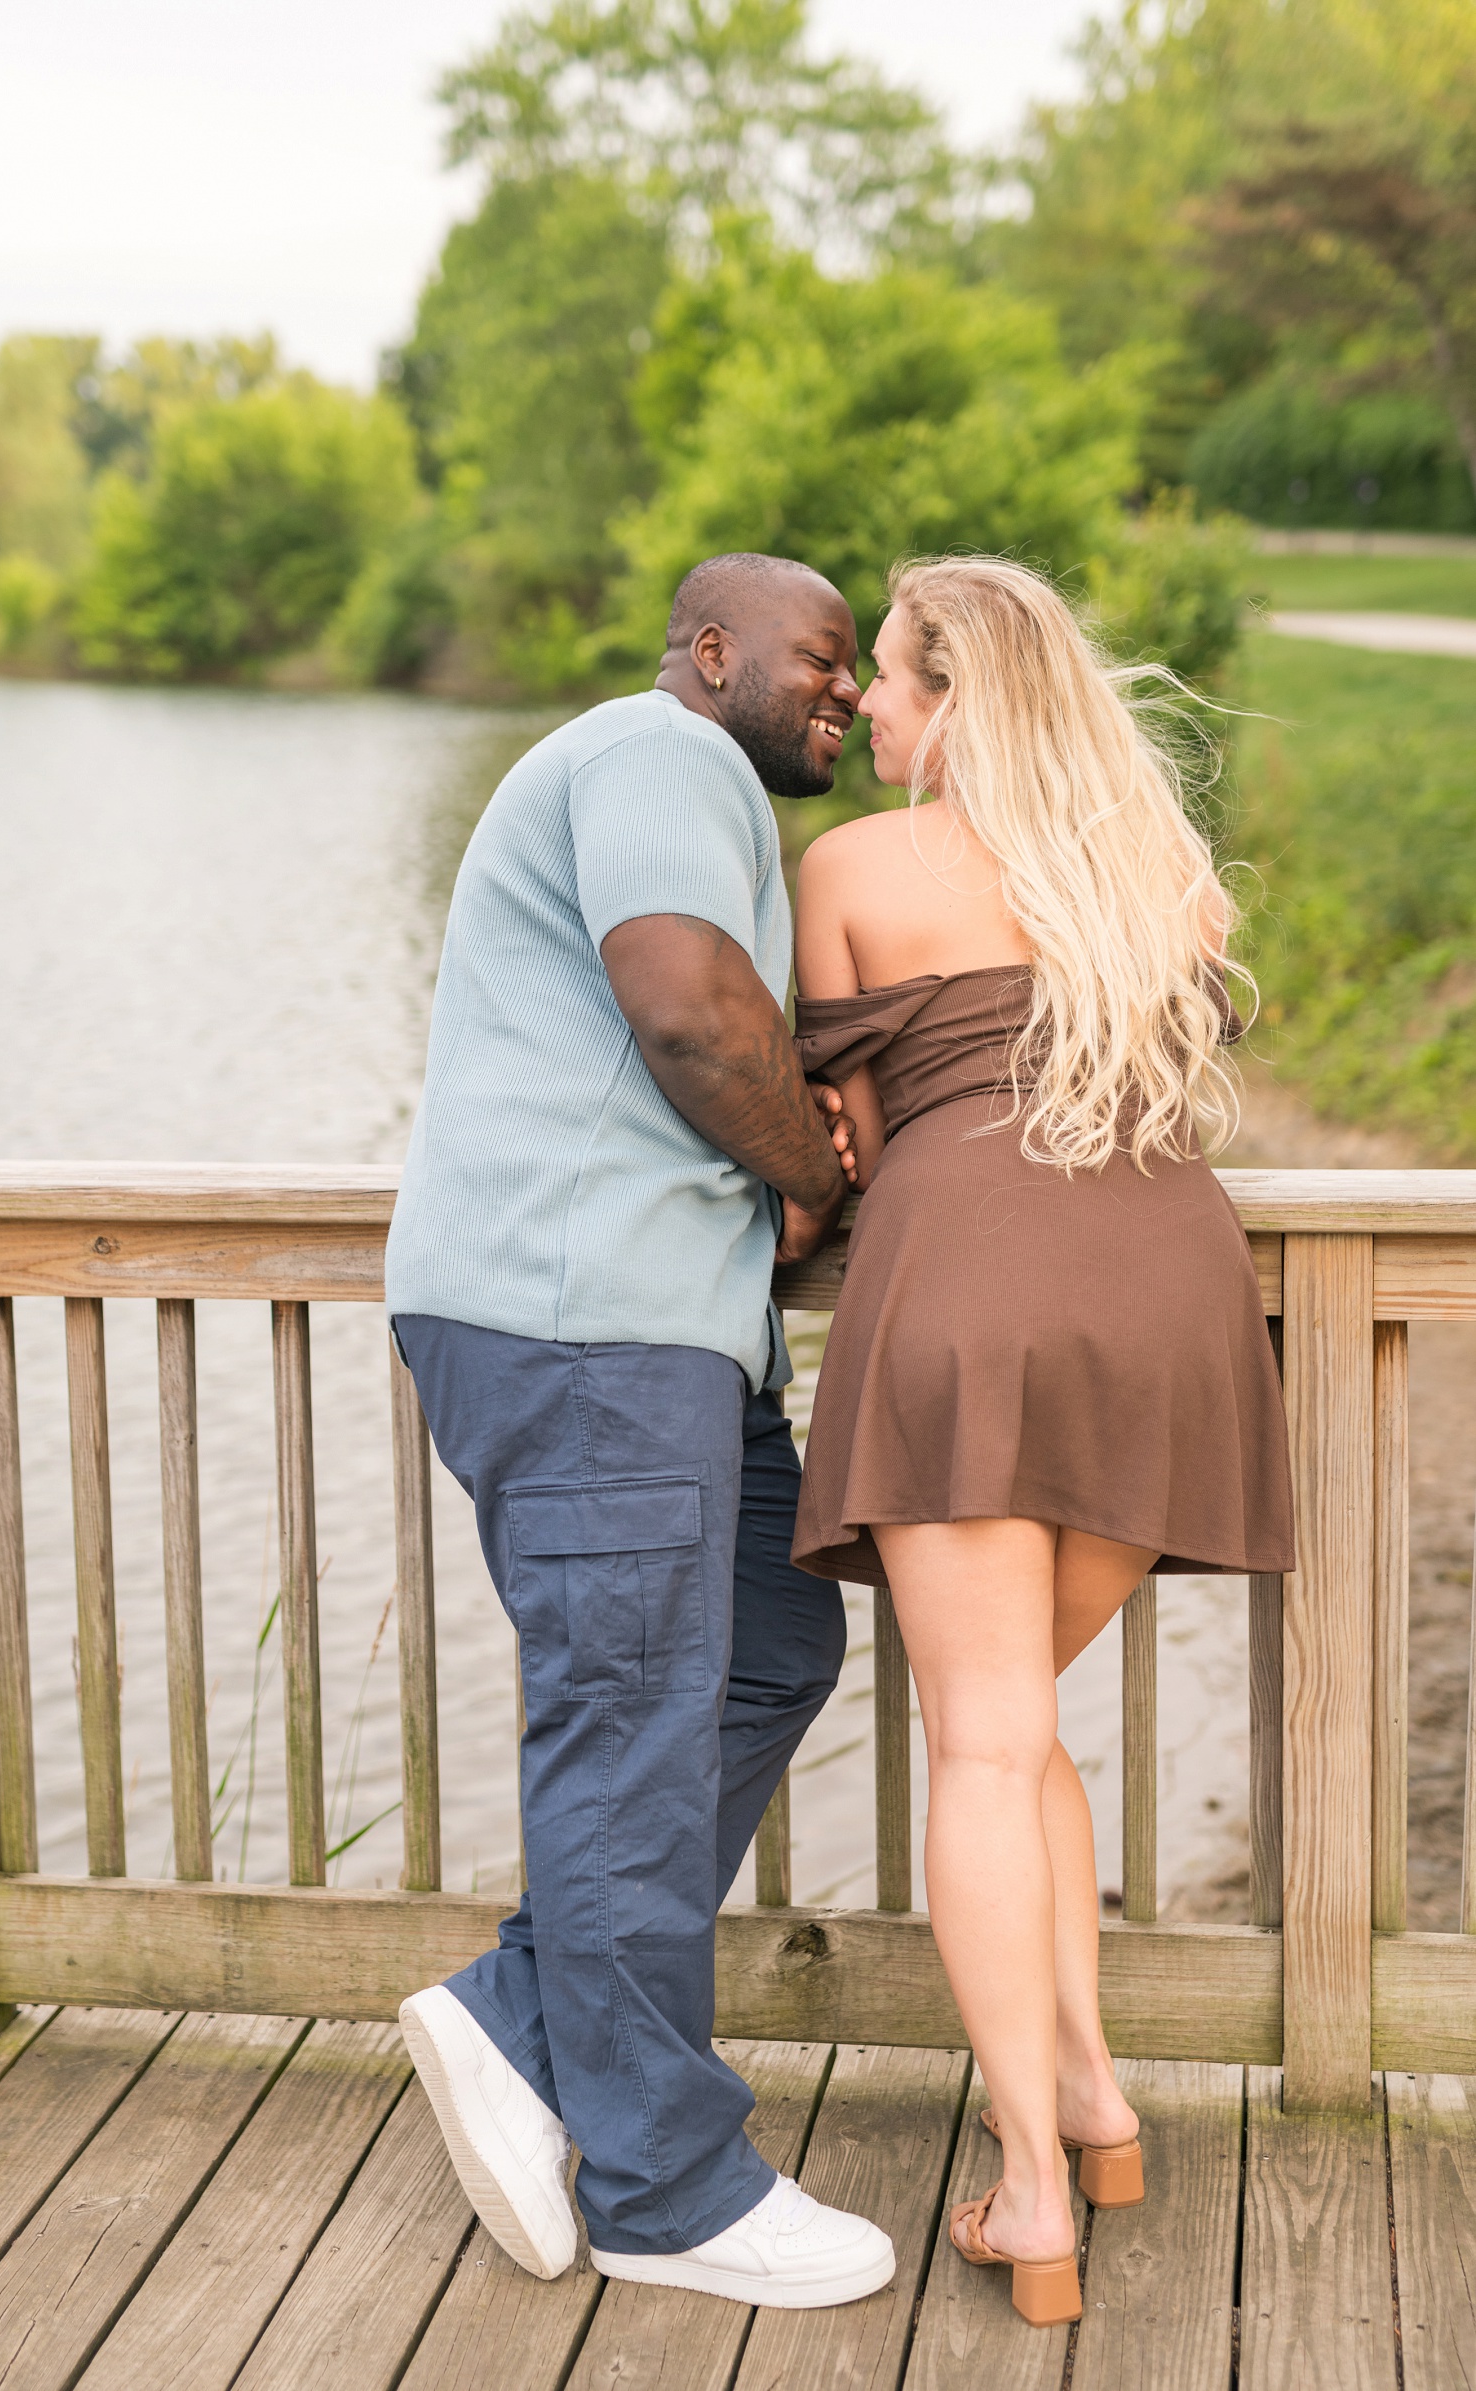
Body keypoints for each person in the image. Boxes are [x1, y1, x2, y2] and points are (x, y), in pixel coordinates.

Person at [384, 553, 897, 2308]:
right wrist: (810, 1175)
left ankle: (522, 2012)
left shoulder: (674, 787)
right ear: (713, 652)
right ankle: (667, 2188)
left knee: (768, 1647)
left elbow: (722, 1019)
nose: (843, 690)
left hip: (655, 1335)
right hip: (580, 1319)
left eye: (856, 667)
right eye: (819, 659)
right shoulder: (658, 752)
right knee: (626, 1723)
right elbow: (686, 1005)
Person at [790, 555, 1294, 2330]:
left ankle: (1026, 2192)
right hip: (1170, 1302)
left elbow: (853, 1143)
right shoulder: (1156, 868)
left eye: (889, 677)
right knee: (1026, 1735)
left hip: (972, 1296)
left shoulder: (849, 871)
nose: (865, 704)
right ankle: (1089, 2095)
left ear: (954, 702)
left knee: (983, 1747)